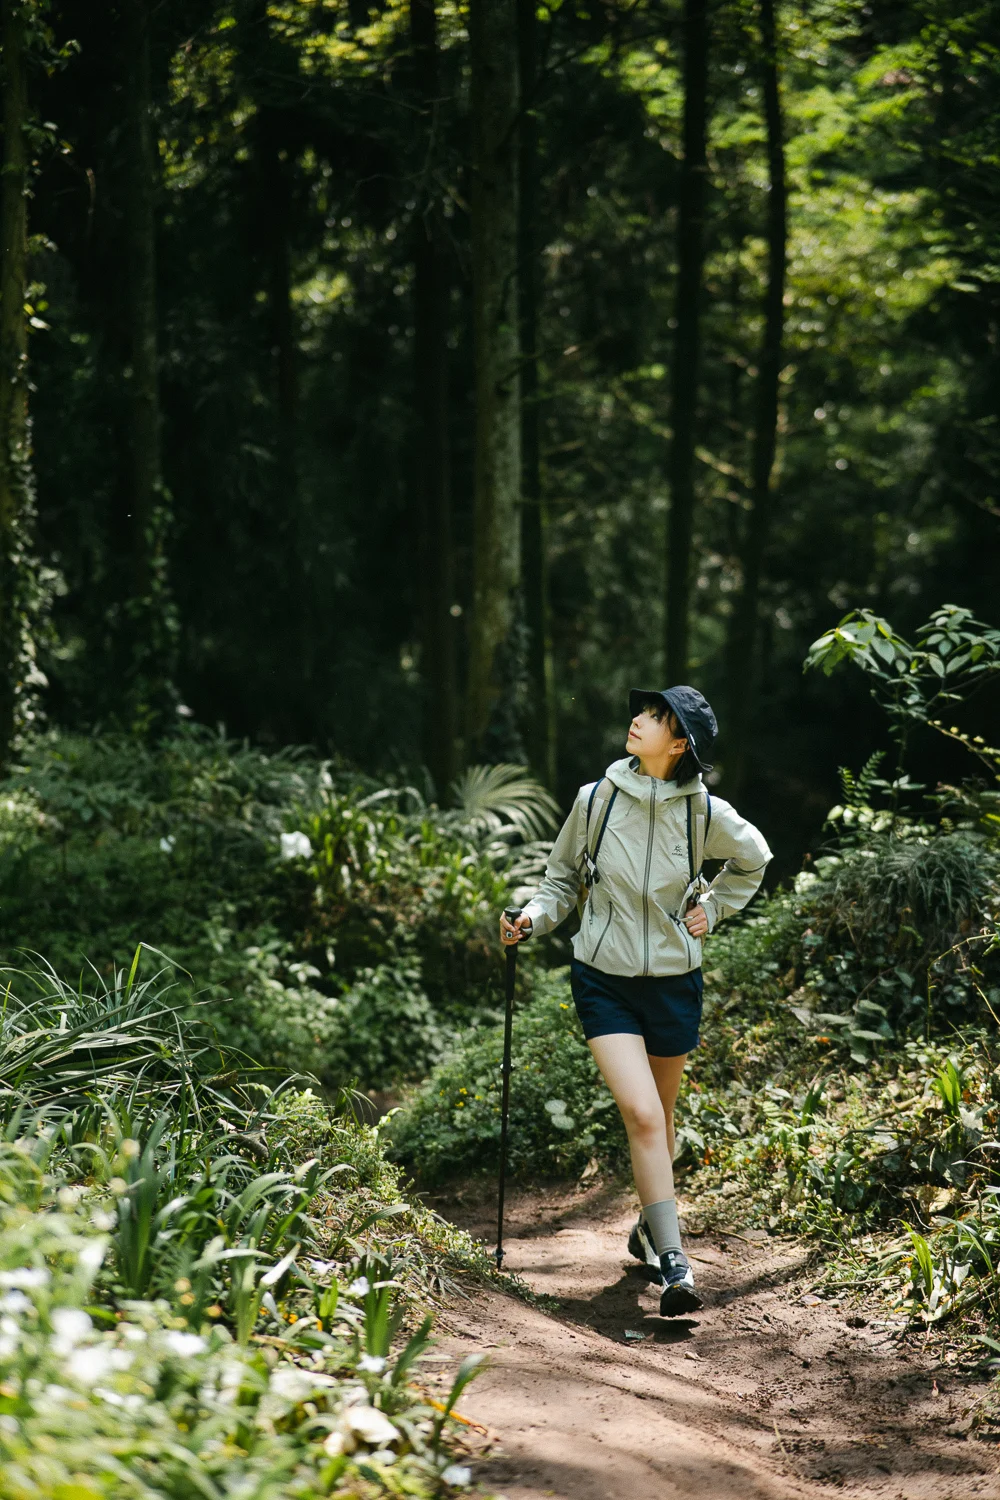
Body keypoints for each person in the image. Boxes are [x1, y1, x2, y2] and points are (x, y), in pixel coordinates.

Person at [500, 686, 771, 1316]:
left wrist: (716, 907)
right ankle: (676, 1260)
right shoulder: (595, 800)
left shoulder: (702, 811)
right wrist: (533, 920)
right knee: (645, 1116)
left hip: (675, 983)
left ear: (679, 744)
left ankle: (649, 1229)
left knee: (662, 1120)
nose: (636, 720)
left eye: (653, 717)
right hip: (605, 978)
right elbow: (560, 880)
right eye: (641, 711)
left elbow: (753, 860)